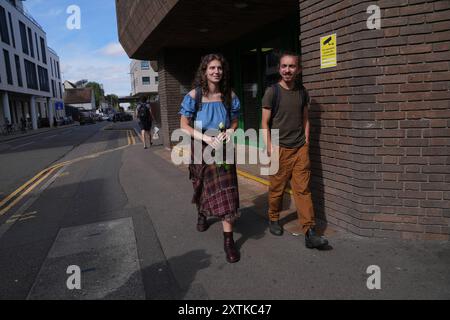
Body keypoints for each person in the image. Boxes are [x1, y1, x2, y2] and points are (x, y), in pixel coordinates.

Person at [261, 52, 329, 250]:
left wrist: (306, 141)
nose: (287, 70)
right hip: (279, 148)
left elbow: (305, 118)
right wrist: (270, 147)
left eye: (291, 66)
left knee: (302, 190)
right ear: (279, 69)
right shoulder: (272, 92)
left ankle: (309, 232)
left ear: (298, 69)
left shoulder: (302, 92)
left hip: (299, 148)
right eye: (284, 66)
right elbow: (265, 123)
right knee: (277, 189)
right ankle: (273, 218)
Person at [179, 53, 241, 263]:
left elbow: (234, 122)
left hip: (223, 148)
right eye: (212, 68)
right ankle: (202, 213)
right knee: (201, 184)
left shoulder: (229, 95)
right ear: (204, 71)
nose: (216, 71)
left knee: (227, 190)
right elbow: (183, 125)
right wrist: (205, 137)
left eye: (219, 68)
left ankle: (228, 241)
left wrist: (231, 132)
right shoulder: (193, 96)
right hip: (200, 146)